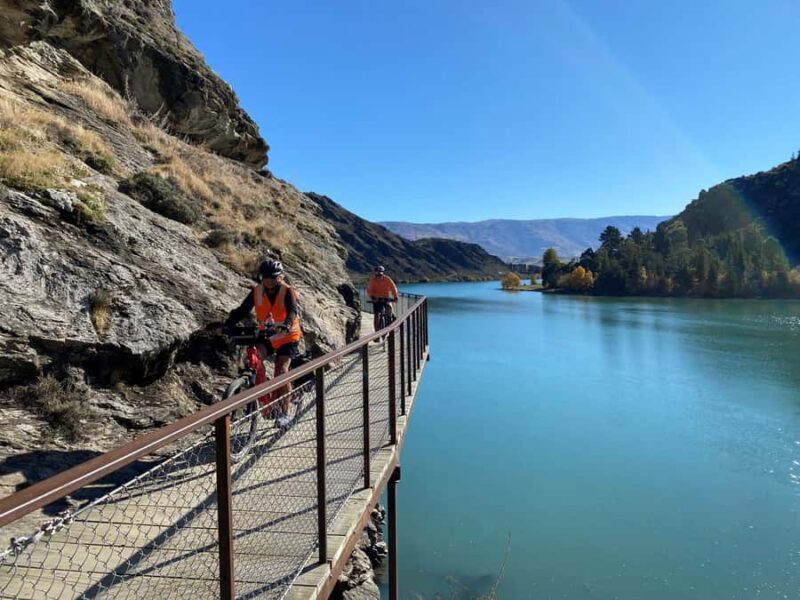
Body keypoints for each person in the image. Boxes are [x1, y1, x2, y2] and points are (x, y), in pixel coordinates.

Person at [224, 259, 302, 427]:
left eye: (273, 277)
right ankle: (267, 389)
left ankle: (284, 413)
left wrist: (286, 324)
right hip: (267, 335)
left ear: (280, 277)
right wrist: (227, 324)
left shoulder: (287, 291)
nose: (269, 280)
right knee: (254, 359)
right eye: (265, 277)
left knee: (281, 370)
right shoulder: (257, 291)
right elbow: (243, 310)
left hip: (288, 336)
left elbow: (292, 311)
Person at [366, 265, 399, 333]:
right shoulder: (372, 280)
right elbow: (369, 290)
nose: (379, 276)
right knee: (376, 315)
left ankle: (390, 323)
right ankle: (376, 333)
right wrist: (372, 297)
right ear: (375, 274)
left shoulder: (387, 279)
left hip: (386, 297)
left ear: (383, 273)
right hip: (376, 298)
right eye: (377, 274)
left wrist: (395, 297)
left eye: (380, 274)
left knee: (389, 308)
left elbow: (393, 288)